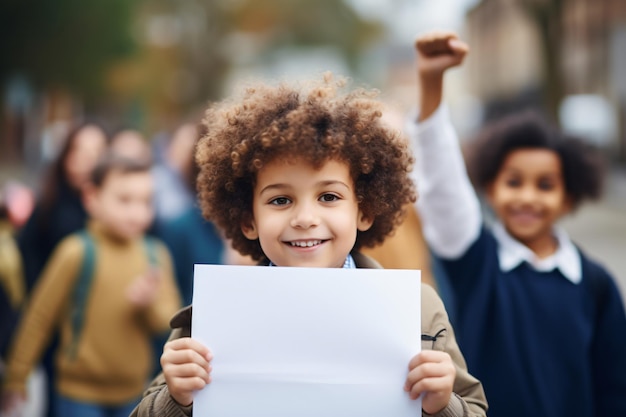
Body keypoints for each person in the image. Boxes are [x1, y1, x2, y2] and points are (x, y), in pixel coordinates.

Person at [130, 74, 488, 417]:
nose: (305, 218)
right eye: (280, 200)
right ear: (247, 220)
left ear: (364, 210)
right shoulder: (209, 317)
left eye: (329, 196)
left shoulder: (418, 309)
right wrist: (176, 399)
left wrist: (442, 405)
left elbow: (472, 409)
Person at [409, 31, 626, 417]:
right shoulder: (476, 260)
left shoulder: (596, 284)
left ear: (569, 197)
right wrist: (432, 83)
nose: (527, 196)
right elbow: (442, 182)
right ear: (489, 188)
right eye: (513, 182)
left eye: (545, 185)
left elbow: (614, 384)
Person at [1, 154, 182, 417]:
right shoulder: (75, 251)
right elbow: (39, 318)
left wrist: (149, 303)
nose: (137, 212)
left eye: (145, 201)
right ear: (92, 197)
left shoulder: (156, 254)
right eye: (124, 200)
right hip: (77, 394)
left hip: (133, 393)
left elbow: (169, 321)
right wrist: (17, 377)